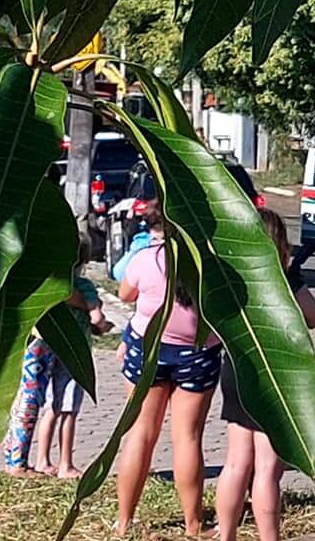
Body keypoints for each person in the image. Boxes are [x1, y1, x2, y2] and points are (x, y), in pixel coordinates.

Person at [215, 208, 315, 541]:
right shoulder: (283, 277)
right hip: (275, 373)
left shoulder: (231, 275)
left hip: (236, 367)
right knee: (266, 469)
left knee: (235, 463)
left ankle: (226, 535)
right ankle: (268, 537)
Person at [114, 203, 223, 537]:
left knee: (140, 433)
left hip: (149, 351)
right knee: (188, 439)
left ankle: (124, 522)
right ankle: (193, 524)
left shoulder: (147, 259)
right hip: (197, 353)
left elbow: (125, 293)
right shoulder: (210, 262)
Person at [2, 234, 110, 477]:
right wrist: (91, 311)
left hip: (38, 343)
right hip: (42, 343)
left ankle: (20, 459)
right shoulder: (71, 284)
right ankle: (17, 462)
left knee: (32, 401)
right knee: (31, 401)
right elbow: (76, 301)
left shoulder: (52, 278)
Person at [35, 235, 112, 478]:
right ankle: (66, 463)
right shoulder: (84, 286)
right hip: (74, 353)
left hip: (48, 347)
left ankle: (41, 459)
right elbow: (96, 318)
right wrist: (103, 325)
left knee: (50, 407)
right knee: (68, 408)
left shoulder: (49, 283)